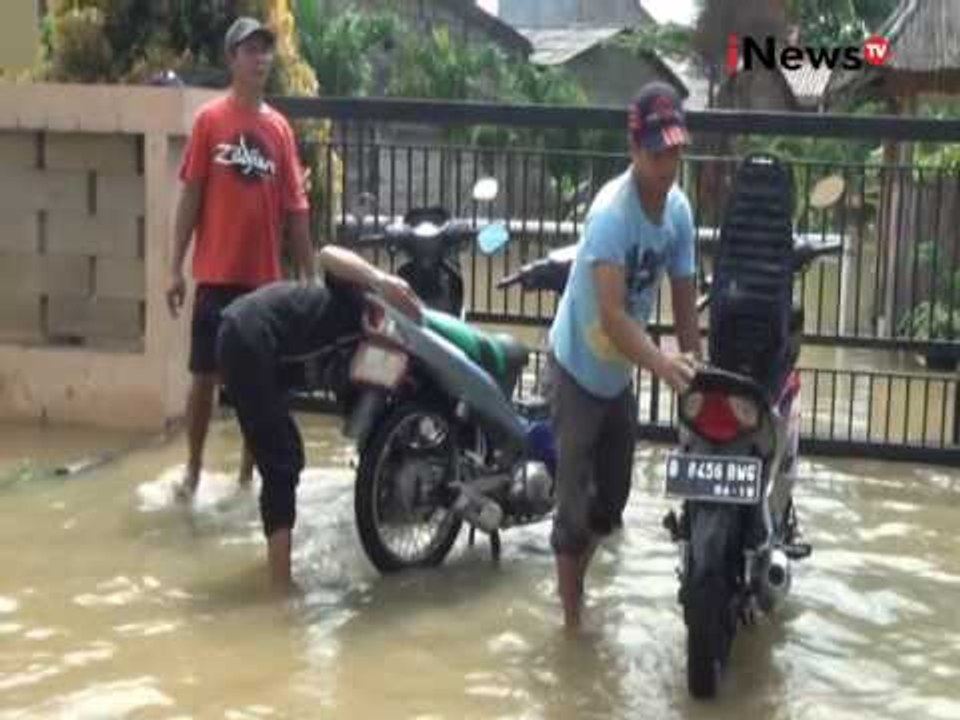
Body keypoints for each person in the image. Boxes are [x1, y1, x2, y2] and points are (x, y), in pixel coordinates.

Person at [547, 82, 703, 631]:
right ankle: (570, 624)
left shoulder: (680, 213)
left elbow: (684, 298)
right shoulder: (611, 215)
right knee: (571, 508)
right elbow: (613, 315)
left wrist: (695, 367)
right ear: (634, 150)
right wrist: (662, 364)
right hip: (577, 369)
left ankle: (576, 582)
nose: (668, 164)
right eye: (657, 153)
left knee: (611, 501)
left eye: (675, 152)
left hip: (617, 375)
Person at [166, 17, 315, 499]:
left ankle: (250, 478)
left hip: (263, 285)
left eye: (266, 51)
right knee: (202, 379)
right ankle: (192, 468)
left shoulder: (279, 129)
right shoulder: (210, 122)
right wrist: (174, 267)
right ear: (232, 58)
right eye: (251, 51)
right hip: (214, 276)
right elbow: (190, 197)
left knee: (261, 386)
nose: (262, 59)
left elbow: (297, 210)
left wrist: (310, 278)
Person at [216, 246, 422, 593]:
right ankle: (280, 588)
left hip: (239, 331)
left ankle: (243, 482)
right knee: (285, 459)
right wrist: (381, 280)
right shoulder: (353, 299)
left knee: (269, 426)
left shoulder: (352, 330)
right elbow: (326, 253)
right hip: (248, 337)